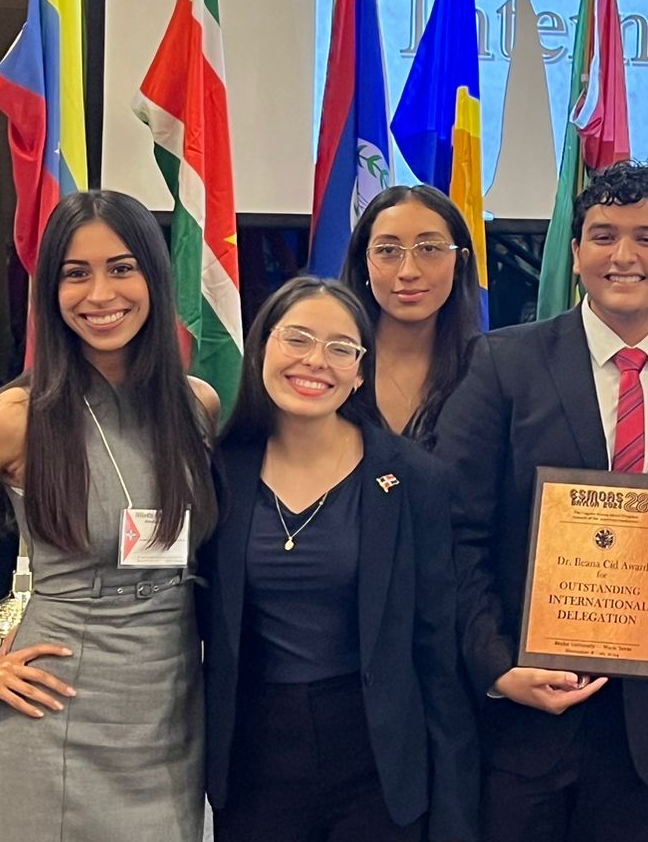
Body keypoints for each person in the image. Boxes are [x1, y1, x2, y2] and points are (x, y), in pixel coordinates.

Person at [438, 159, 648, 842]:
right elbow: (454, 534)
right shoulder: (503, 363)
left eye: (647, 237)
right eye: (604, 235)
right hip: (523, 719)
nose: (623, 256)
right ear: (577, 253)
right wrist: (498, 667)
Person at [0, 189, 219, 842]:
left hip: (169, 727)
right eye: (75, 273)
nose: (99, 293)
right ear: (49, 291)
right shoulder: (18, 419)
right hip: (50, 724)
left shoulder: (197, 408)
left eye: (121, 267)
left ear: (154, 277)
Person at [201, 275, 478, 841]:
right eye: (297, 339)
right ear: (262, 348)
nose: (315, 362)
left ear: (359, 371)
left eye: (340, 349)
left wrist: (455, 808)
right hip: (255, 755)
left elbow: (437, 653)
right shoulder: (216, 472)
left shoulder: (413, 480)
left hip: (375, 758)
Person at [339, 184, 482, 440]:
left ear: (460, 262)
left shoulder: (488, 371)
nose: (408, 272)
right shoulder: (331, 362)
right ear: (364, 264)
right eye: (388, 251)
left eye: (429, 249)